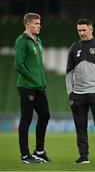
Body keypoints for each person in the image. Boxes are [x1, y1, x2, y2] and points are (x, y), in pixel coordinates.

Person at [66, 18, 95, 164]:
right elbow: (68, 73)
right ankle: (83, 156)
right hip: (78, 94)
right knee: (80, 126)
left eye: (84, 30)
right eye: (79, 30)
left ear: (91, 29)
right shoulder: (74, 47)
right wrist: (70, 93)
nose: (81, 33)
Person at [14, 13, 51, 164]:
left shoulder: (38, 40)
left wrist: (40, 81)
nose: (39, 25)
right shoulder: (22, 41)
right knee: (26, 120)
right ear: (27, 24)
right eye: (36, 23)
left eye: (39, 23)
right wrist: (33, 78)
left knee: (45, 115)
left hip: (39, 87)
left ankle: (39, 151)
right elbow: (19, 65)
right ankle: (25, 156)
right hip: (27, 87)